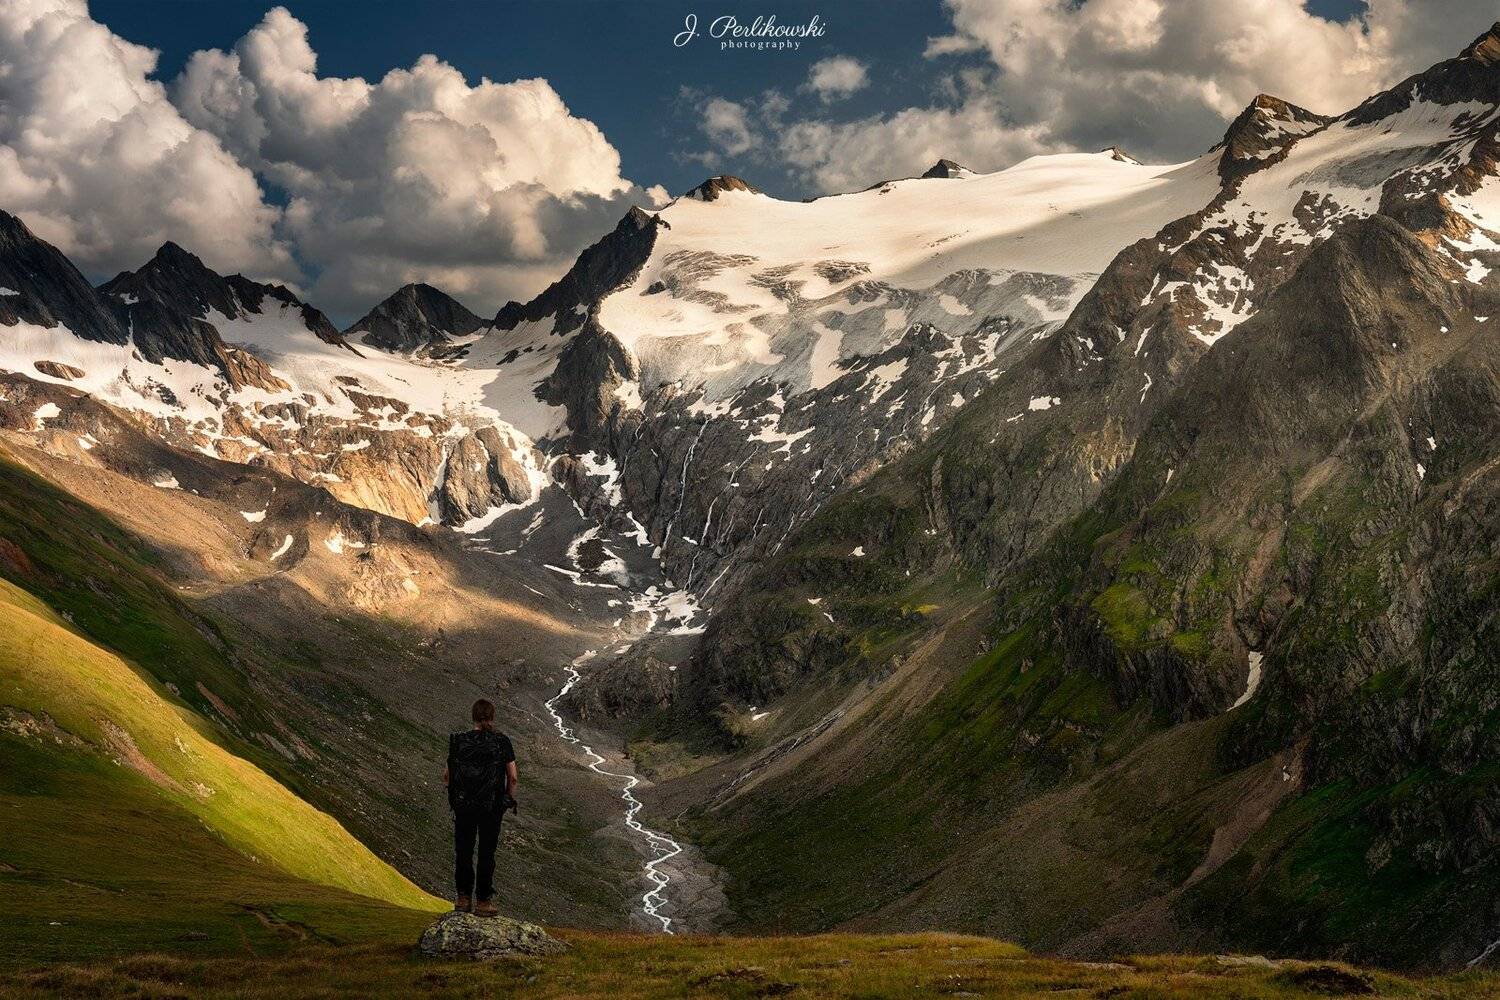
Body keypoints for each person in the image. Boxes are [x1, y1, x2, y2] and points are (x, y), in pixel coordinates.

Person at [443, 698, 517, 916]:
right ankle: (483, 902)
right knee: (487, 852)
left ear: (473, 716)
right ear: (492, 717)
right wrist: (508, 799)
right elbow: (513, 777)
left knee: (463, 851)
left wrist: (457, 796)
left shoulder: (459, 741)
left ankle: (463, 899)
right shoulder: (501, 741)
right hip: (491, 807)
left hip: (464, 806)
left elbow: (447, 776)